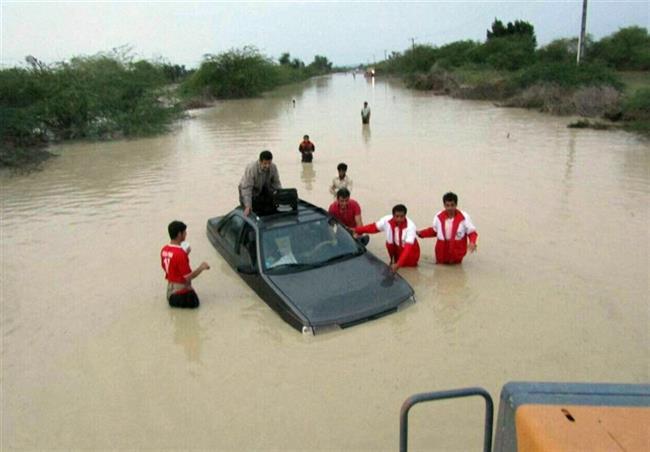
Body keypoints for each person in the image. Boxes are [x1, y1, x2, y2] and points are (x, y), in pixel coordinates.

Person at [354, 204, 420, 272]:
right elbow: (373, 228)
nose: (399, 219)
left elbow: (408, 249)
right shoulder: (386, 220)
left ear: (405, 216)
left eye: (402, 217)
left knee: (409, 270)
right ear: (393, 215)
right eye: (397, 216)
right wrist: (356, 230)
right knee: (394, 265)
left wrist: (398, 264)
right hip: (395, 248)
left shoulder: (411, 227)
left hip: (410, 252)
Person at [417, 192, 478, 264]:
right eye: (447, 205)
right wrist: (421, 233)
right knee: (440, 270)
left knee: (456, 270)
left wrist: (472, 242)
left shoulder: (464, 217)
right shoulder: (438, 217)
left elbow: (472, 233)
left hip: (457, 253)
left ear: (456, 205)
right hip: (441, 252)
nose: (450, 208)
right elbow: (434, 231)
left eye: (452, 205)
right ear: (444, 205)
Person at [161, 221, 210, 308]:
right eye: (185, 232)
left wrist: (185, 254)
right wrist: (201, 268)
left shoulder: (164, 249)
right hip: (182, 296)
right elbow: (188, 277)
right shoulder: (180, 254)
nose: (186, 234)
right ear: (179, 234)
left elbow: (172, 266)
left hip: (170, 292)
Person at [239, 150, 282, 216]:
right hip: (247, 188)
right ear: (260, 161)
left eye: (269, 163)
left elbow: (276, 183)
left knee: (267, 207)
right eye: (265, 163)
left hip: (263, 187)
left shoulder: (273, 167)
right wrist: (248, 206)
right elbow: (247, 189)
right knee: (248, 210)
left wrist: (281, 195)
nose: (267, 166)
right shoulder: (252, 168)